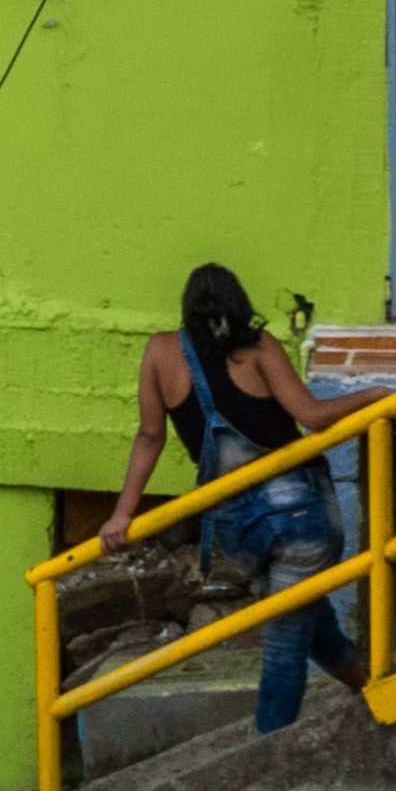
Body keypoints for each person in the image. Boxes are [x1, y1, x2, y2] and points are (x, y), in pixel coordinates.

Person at [98, 263, 365, 733]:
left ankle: (374, 687)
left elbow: (149, 436)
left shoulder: (161, 352)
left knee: (308, 618)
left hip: (237, 527)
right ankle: (269, 748)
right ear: (238, 305)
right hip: (298, 515)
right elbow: (312, 416)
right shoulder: (260, 350)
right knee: (286, 637)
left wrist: (121, 515)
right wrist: (375, 396)